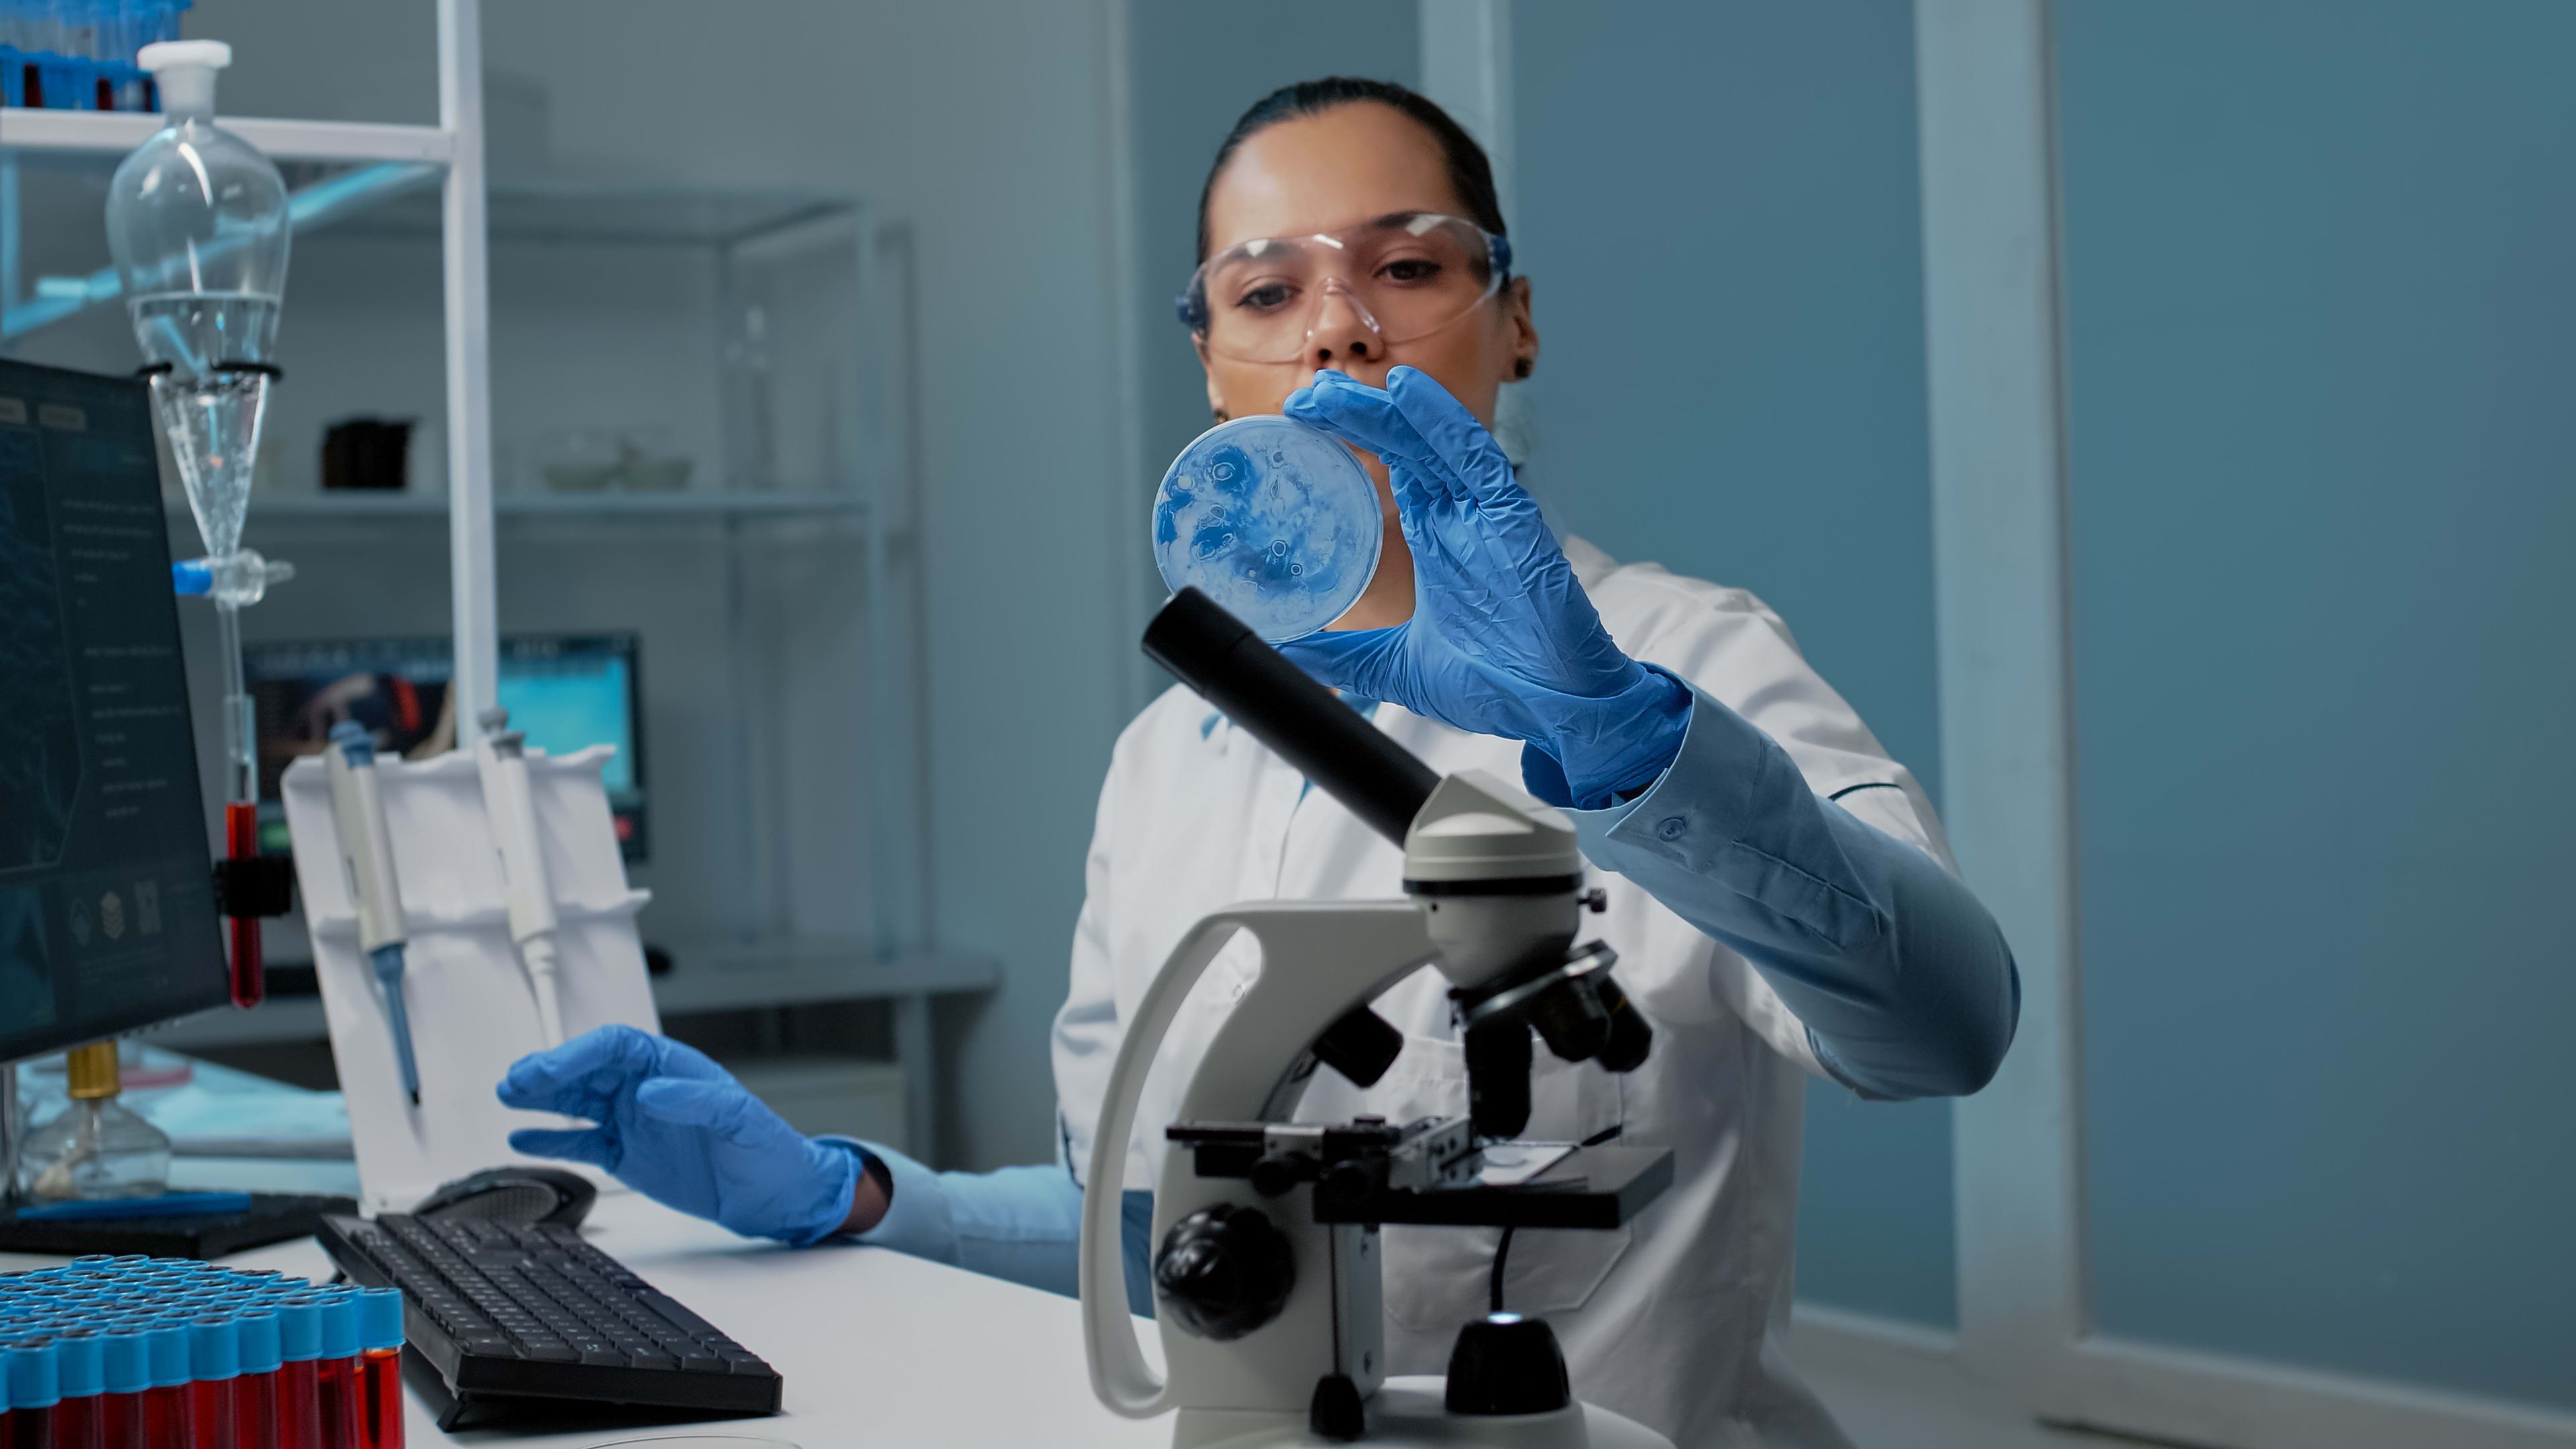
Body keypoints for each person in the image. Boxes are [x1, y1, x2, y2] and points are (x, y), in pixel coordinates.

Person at [496, 77, 2019, 1447]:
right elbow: (1165, 1227)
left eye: (1408, 267)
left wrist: (1618, 737)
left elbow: (1943, 1031)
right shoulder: (1168, 757)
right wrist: (859, 1197)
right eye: (1268, 290)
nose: (1340, 328)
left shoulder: (1691, 655)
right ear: (1216, 367)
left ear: (1520, 318)